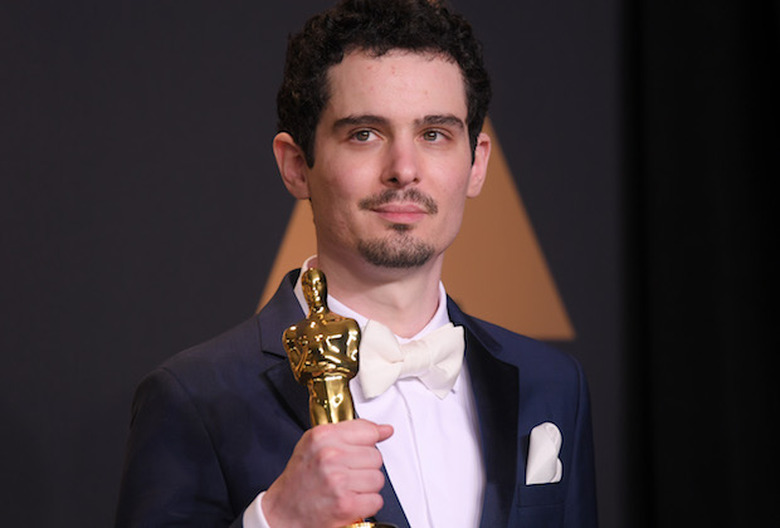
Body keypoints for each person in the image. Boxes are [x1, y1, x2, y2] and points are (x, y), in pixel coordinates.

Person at [115, 0, 598, 527]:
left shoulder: (552, 385)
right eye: (364, 134)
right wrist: (275, 520)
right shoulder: (196, 398)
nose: (404, 170)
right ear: (297, 166)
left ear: (477, 162)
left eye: (434, 134)